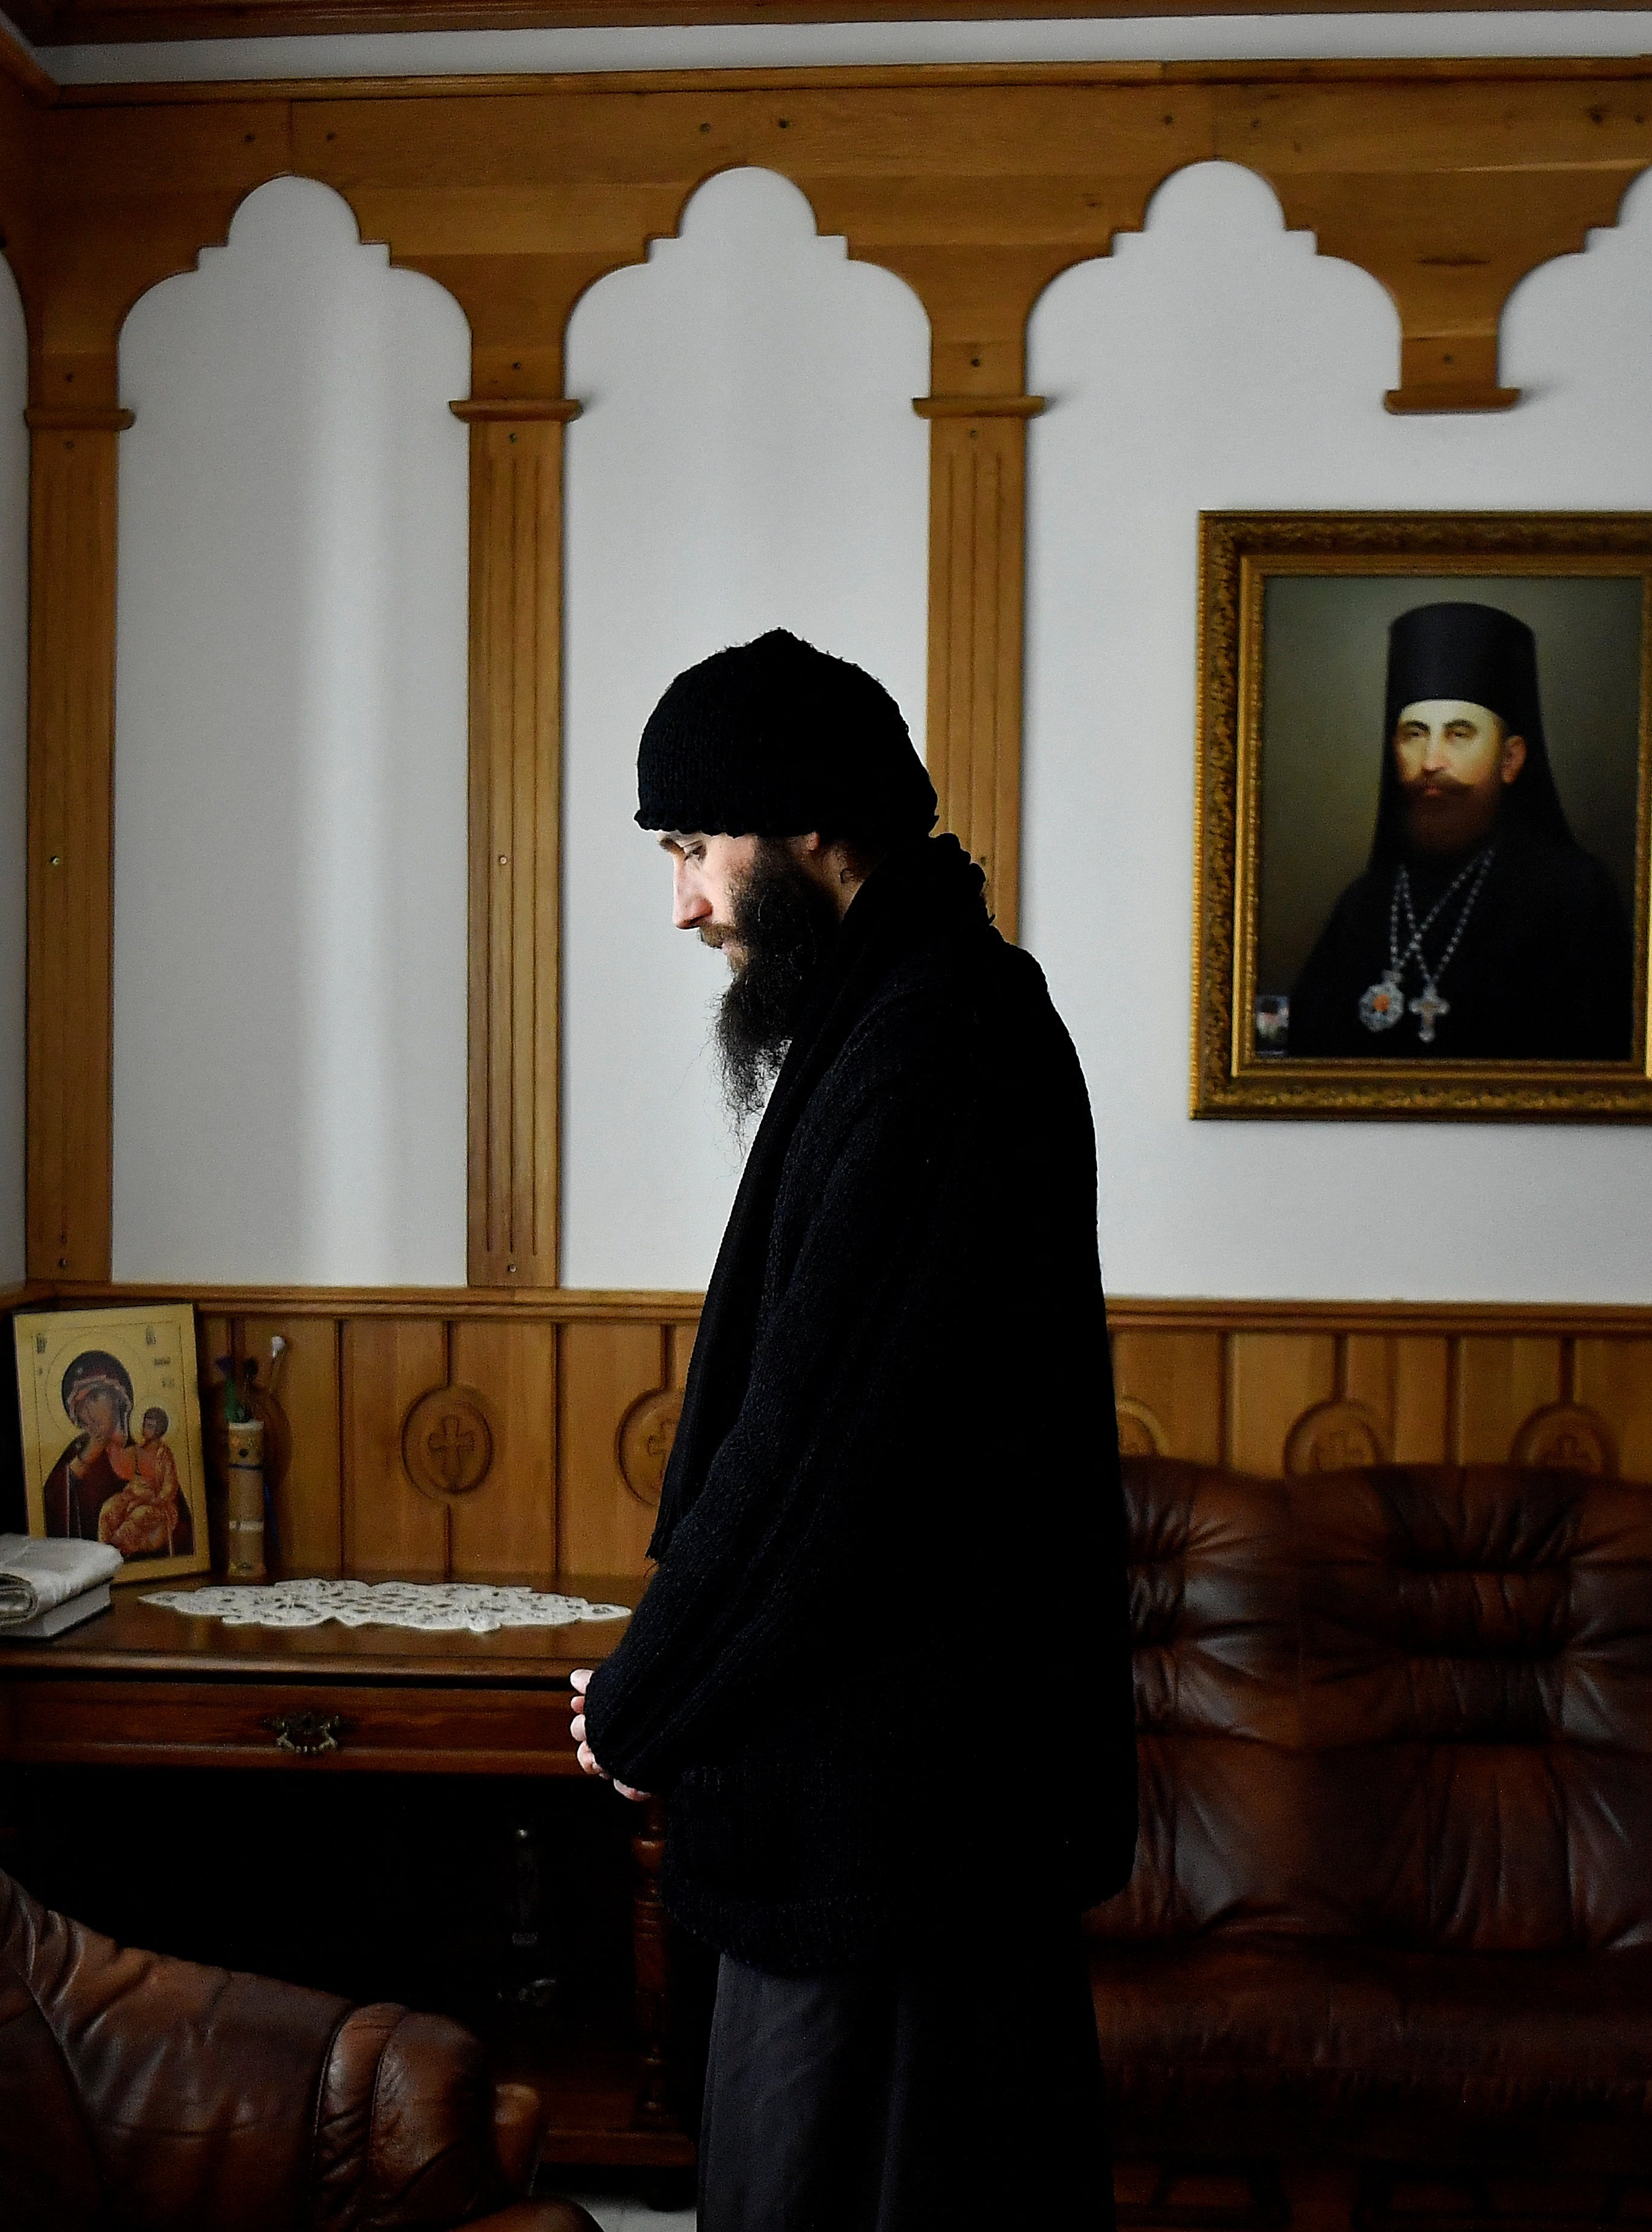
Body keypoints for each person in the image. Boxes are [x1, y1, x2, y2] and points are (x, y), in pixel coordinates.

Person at [565, 629, 1133, 2232]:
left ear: (809, 823)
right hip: (881, 1819)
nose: (683, 902)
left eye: (694, 847)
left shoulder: (939, 1042)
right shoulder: (911, 1009)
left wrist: (640, 1700)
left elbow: (815, 1465)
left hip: (893, 1844)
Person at [1286, 599, 1638, 1060]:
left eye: (1458, 734)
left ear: (1510, 760)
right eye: (1414, 734)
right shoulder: (1364, 904)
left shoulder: (1577, 896)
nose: (1431, 762)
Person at [38, 1352, 138, 1541]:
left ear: (117, 1395)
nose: (90, 1413)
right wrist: (84, 1461)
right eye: (81, 1406)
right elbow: (51, 1501)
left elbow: (180, 1531)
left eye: (95, 1397)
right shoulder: (76, 1453)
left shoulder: (147, 1452)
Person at [98, 1410, 188, 1558]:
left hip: (157, 1504)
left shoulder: (164, 1456)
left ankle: (114, 1550)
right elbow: (122, 1469)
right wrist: (112, 1449)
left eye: (151, 1426)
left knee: (140, 1514)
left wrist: (150, 1500)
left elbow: (169, 1487)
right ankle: (102, 1549)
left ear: (159, 1430)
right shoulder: (137, 1450)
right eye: (145, 1424)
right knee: (109, 1507)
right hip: (132, 1496)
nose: (145, 1429)